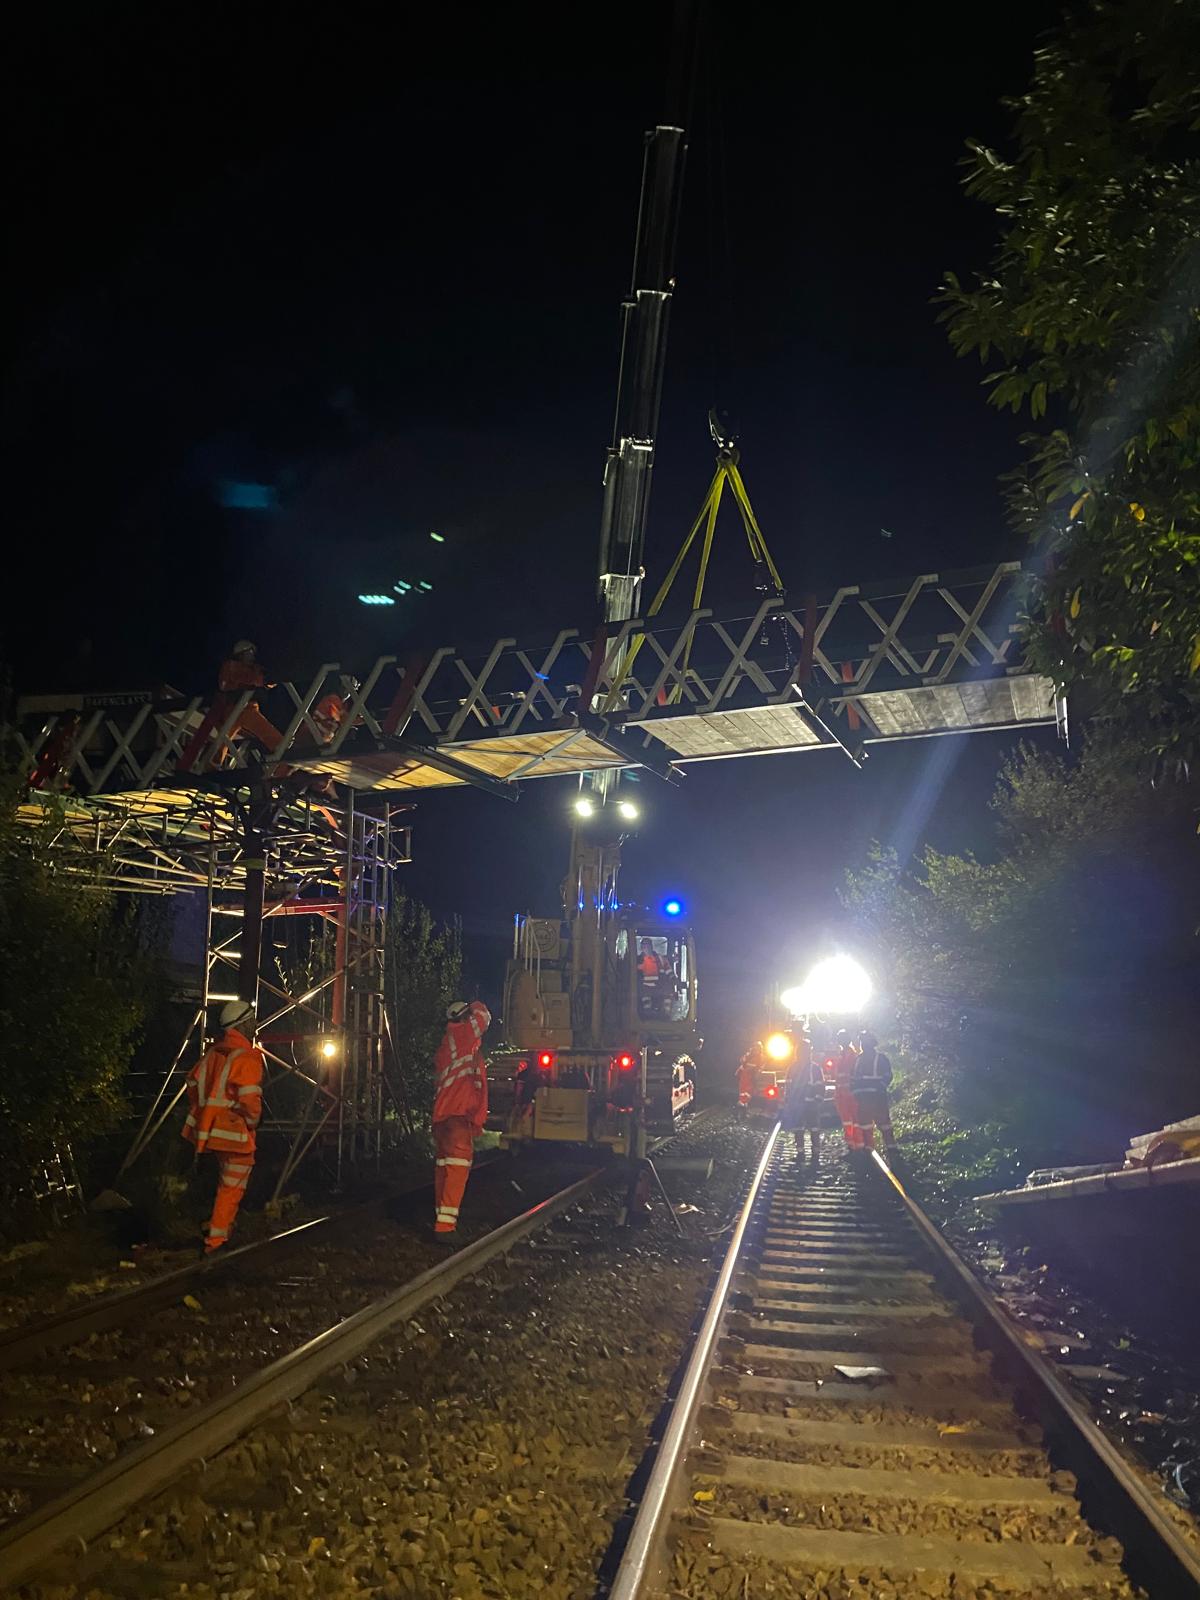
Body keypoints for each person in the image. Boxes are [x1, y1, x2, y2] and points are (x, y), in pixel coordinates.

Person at [183, 999, 265, 1253]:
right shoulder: (246, 1057)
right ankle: (216, 1241)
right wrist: (252, 1122)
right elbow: (249, 1101)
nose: (255, 1025)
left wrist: (205, 1110)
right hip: (234, 1133)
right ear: (242, 1024)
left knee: (224, 1184)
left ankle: (218, 1228)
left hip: (209, 1132)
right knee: (231, 1188)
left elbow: (192, 1083)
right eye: (251, 1021)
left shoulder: (213, 1054)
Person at [432, 998, 492, 1237]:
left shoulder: (449, 1046)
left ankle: (442, 1219)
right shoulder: (462, 1036)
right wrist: (474, 1003)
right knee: (457, 1169)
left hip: (444, 1118)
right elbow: (483, 1016)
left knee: (444, 1168)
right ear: (463, 1018)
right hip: (456, 1117)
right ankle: (445, 1227)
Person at [179, 640, 284, 773]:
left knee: (226, 740)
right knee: (223, 742)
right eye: (250, 652)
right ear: (241, 654)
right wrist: (264, 678)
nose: (252, 655)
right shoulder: (232, 666)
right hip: (236, 709)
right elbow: (248, 678)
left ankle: (283, 760)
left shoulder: (251, 668)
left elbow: (264, 680)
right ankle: (209, 769)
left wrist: (271, 677)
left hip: (243, 708)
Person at [781, 1028, 823, 1162]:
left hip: (806, 1104)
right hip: (802, 1104)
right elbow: (789, 1085)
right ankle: (806, 1153)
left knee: (809, 1128)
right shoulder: (810, 1068)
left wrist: (817, 1100)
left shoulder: (810, 1068)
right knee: (804, 1128)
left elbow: (819, 1086)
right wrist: (789, 1100)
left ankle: (810, 1153)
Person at [852, 1029, 896, 1153]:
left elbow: (887, 1075)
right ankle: (869, 1150)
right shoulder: (859, 1059)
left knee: (884, 1124)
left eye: (865, 1042)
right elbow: (853, 1079)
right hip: (865, 1098)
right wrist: (857, 1094)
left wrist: (879, 1088)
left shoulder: (880, 1058)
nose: (863, 1045)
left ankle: (891, 1149)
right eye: (862, 1042)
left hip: (876, 1097)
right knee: (867, 1125)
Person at [832, 1028, 862, 1149]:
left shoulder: (851, 1056)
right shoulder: (843, 1055)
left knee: (855, 1120)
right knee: (847, 1121)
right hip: (843, 1095)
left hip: (851, 1094)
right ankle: (852, 1144)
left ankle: (858, 1144)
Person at [736, 1041, 764, 1110]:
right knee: (744, 1089)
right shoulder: (749, 1055)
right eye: (755, 1047)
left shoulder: (760, 1057)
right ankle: (743, 1103)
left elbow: (758, 1066)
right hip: (746, 1075)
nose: (755, 1049)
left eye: (757, 1047)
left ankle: (744, 1103)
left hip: (750, 1075)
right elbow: (742, 1061)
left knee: (748, 1090)